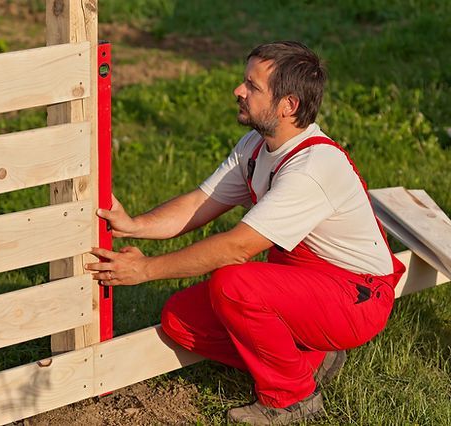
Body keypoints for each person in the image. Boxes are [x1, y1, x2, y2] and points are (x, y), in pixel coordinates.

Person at [85, 41, 405, 425]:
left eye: (252, 87)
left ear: (289, 106)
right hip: (307, 282)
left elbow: (237, 247)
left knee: (234, 286)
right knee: (180, 319)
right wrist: (135, 225)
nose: (238, 91)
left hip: (356, 296)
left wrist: (146, 270)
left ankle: (292, 397)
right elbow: (201, 202)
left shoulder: (311, 167)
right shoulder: (256, 146)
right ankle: (308, 357)